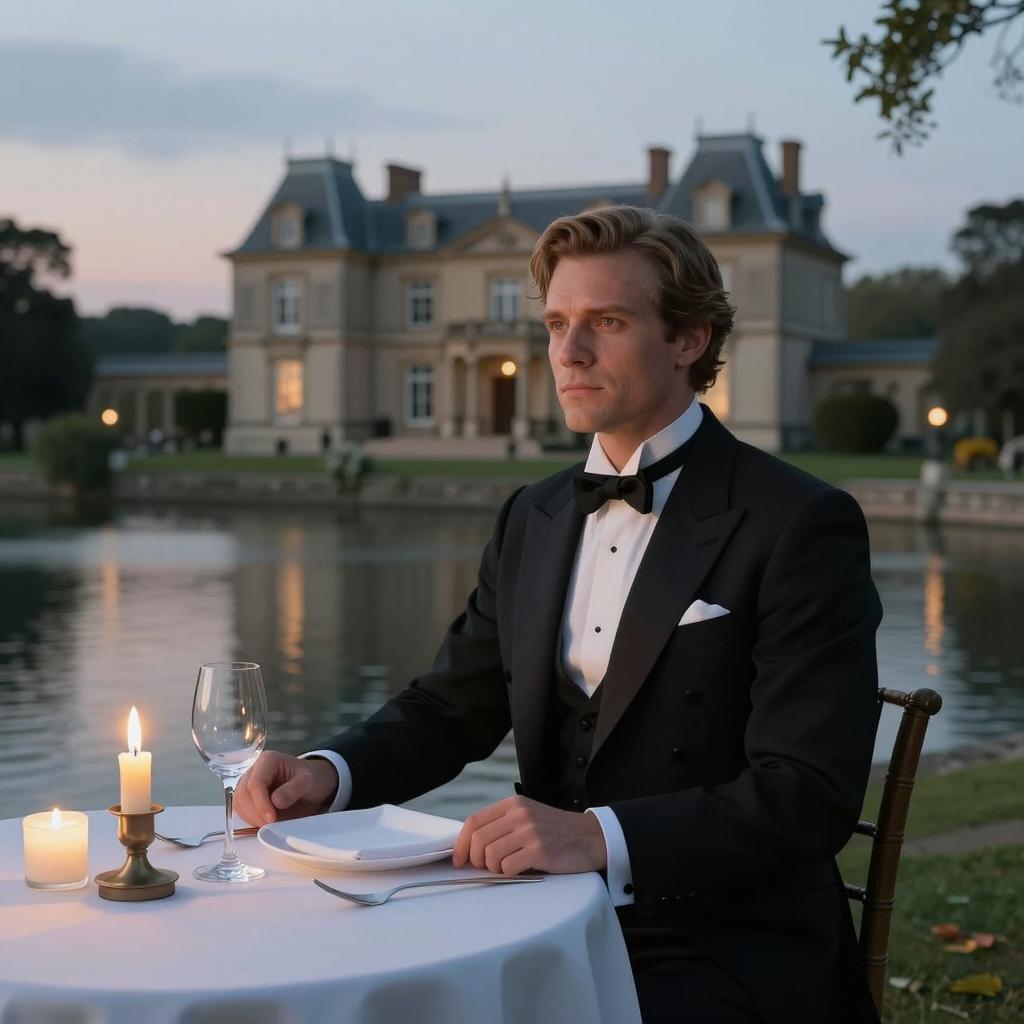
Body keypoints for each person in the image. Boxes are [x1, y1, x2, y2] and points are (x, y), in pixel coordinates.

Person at [235, 206, 883, 1024]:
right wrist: (331, 773)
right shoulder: (532, 516)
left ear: (688, 339)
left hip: (724, 936)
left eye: (606, 323)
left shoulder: (798, 521)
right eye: (556, 324)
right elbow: (450, 707)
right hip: (534, 917)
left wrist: (599, 837)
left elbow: (810, 793)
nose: (569, 353)